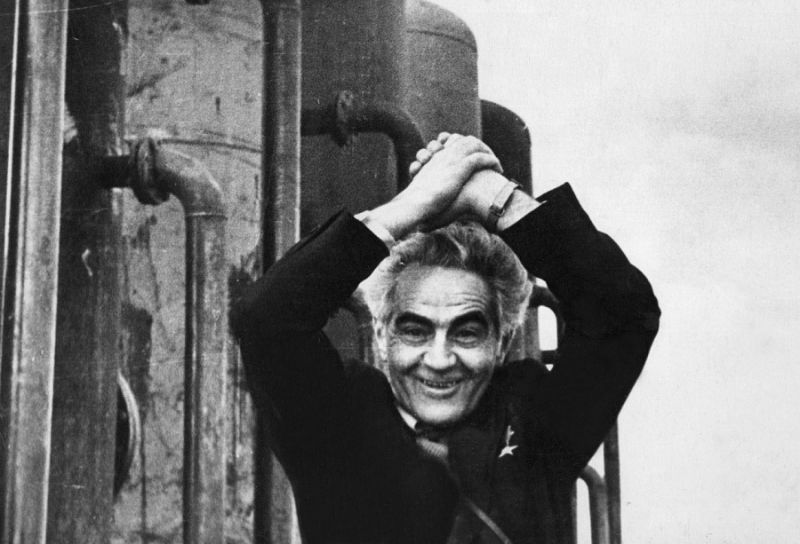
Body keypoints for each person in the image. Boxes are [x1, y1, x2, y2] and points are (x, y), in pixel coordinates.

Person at [232, 133, 660, 544]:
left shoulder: (534, 419)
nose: (439, 359)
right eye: (415, 330)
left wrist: (493, 198)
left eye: (467, 332)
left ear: (502, 341)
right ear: (380, 333)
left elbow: (624, 313)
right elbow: (265, 319)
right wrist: (413, 204)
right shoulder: (339, 421)